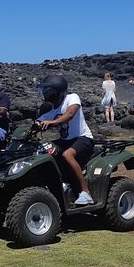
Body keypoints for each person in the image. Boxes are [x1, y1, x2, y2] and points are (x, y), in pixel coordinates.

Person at [36, 74, 95, 205]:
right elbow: (37, 123)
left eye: (48, 90)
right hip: (66, 141)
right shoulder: (51, 110)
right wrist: (34, 129)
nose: (45, 93)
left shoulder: (72, 98)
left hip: (82, 138)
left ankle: (85, 192)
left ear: (57, 91)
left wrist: (52, 123)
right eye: (45, 90)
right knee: (41, 151)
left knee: (67, 155)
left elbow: (69, 114)